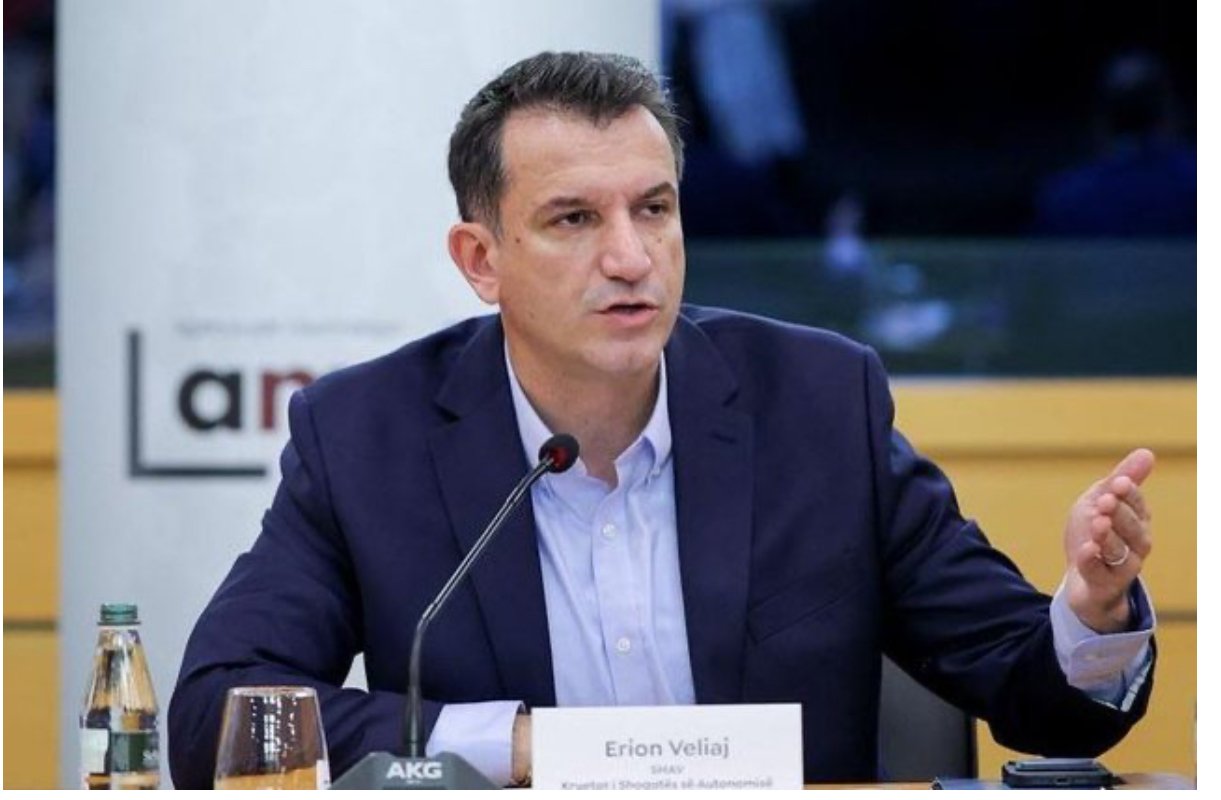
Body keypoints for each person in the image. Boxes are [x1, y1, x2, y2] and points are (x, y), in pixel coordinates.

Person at [169, 52, 1156, 788]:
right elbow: (220, 714)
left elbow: (1042, 699)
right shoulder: (366, 436)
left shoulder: (817, 403)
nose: (631, 257)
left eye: (653, 209)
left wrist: (1092, 611)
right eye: (574, 219)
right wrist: (516, 745)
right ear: (481, 260)